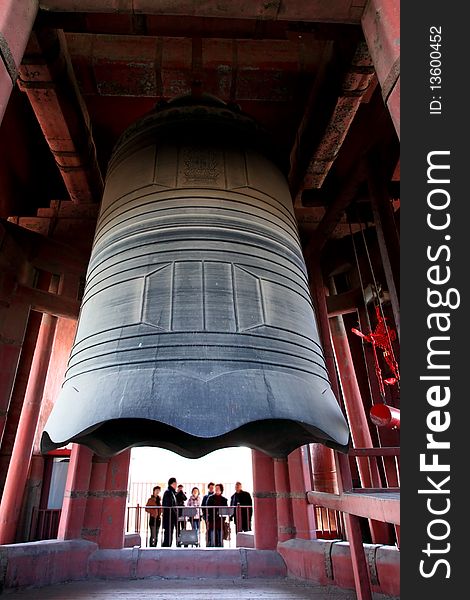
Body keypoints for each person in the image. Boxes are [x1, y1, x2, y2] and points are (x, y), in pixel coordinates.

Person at [206, 483, 228, 547]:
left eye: (218, 488)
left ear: (221, 490)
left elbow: (225, 510)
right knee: (212, 535)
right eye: (216, 488)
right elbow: (207, 509)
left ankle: (221, 547)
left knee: (220, 535)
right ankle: (212, 547)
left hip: (220, 520)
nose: (216, 489)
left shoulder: (224, 499)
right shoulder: (210, 498)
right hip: (212, 519)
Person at [161, 477, 178, 547]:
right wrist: (175, 514)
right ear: (172, 483)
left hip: (170, 517)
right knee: (168, 533)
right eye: (175, 483)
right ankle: (166, 547)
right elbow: (170, 505)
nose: (176, 485)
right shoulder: (168, 492)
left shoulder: (171, 492)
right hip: (169, 517)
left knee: (169, 533)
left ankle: (167, 546)